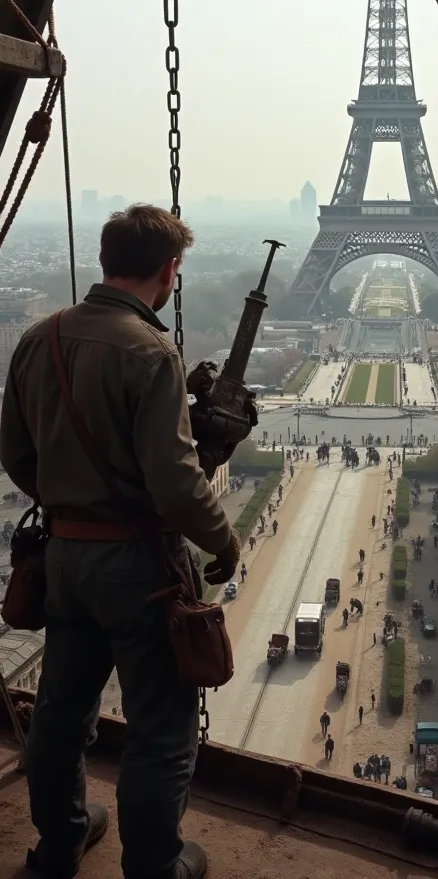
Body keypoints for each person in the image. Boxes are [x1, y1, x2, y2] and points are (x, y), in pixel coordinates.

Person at [0, 205, 241, 879]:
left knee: (61, 711)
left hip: (65, 557)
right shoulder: (150, 350)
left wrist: (72, 500)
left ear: (106, 259)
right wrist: (225, 542)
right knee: (160, 729)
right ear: (168, 270)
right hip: (139, 565)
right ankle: (155, 864)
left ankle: (59, 843)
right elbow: (174, 485)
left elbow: (16, 455)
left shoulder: (37, 338)